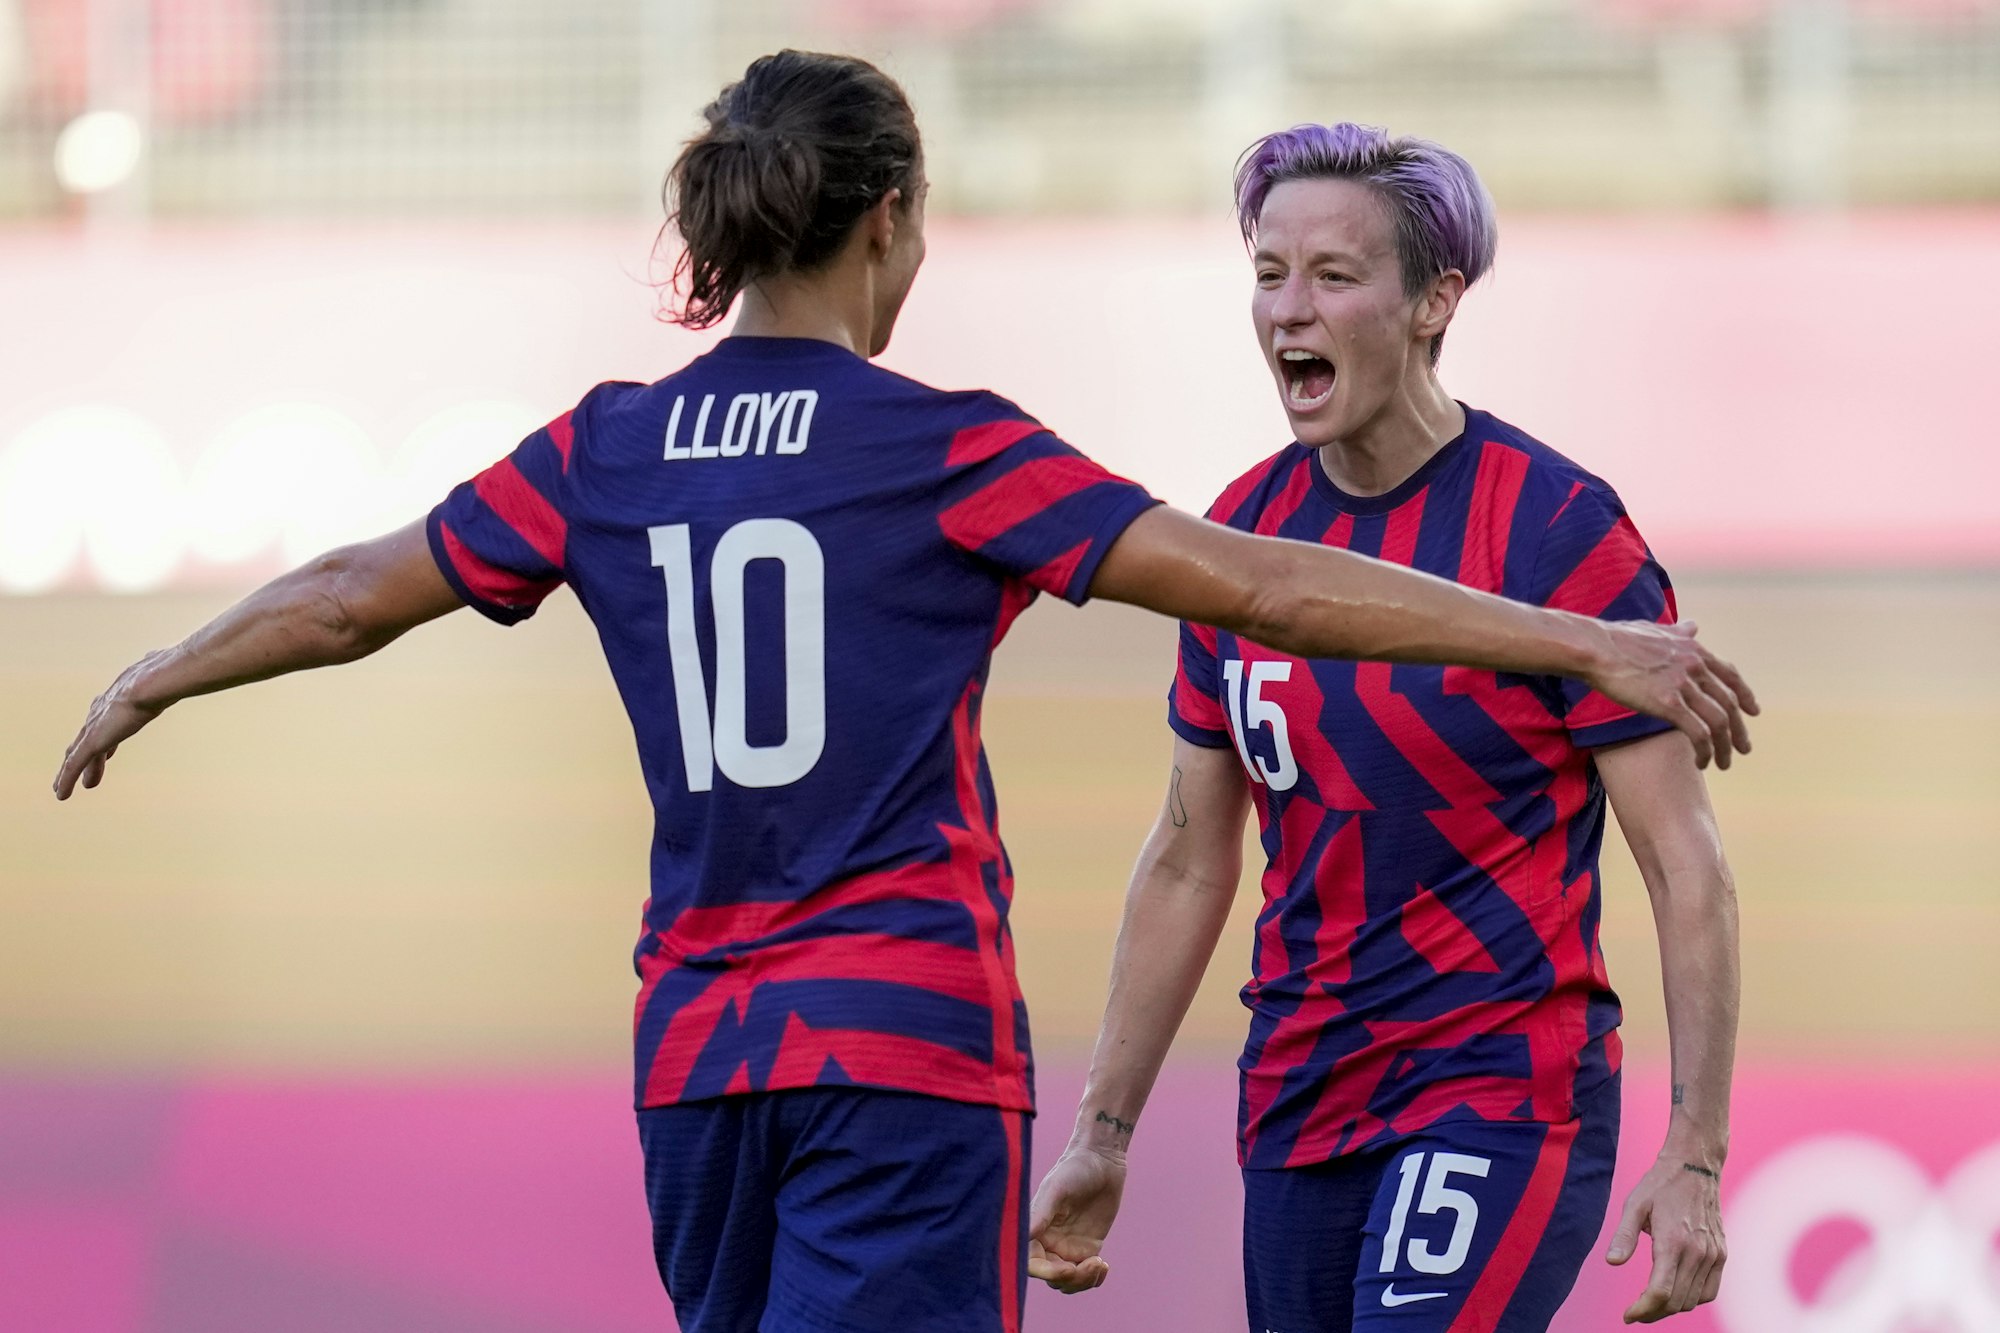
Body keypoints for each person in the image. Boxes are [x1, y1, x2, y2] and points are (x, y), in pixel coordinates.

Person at [54, 63, 1752, 1333]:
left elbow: (357, 591)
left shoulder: (605, 448)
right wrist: (1581, 641)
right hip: (905, 1050)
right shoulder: (950, 451)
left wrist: (156, 668)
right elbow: (1258, 594)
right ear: (886, 224)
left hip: (699, 1068)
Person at [1028, 123, 1743, 1330]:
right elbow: (1189, 854)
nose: (1286, 311)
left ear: (1434, 302)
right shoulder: (1238, 536)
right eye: (1266, 275)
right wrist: (1103, 1126)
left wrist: (1695, 1152)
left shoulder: (1557, 529)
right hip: (1300, 1096)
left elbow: (1686, 865)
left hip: (1499, 1087)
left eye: (1332, 276)